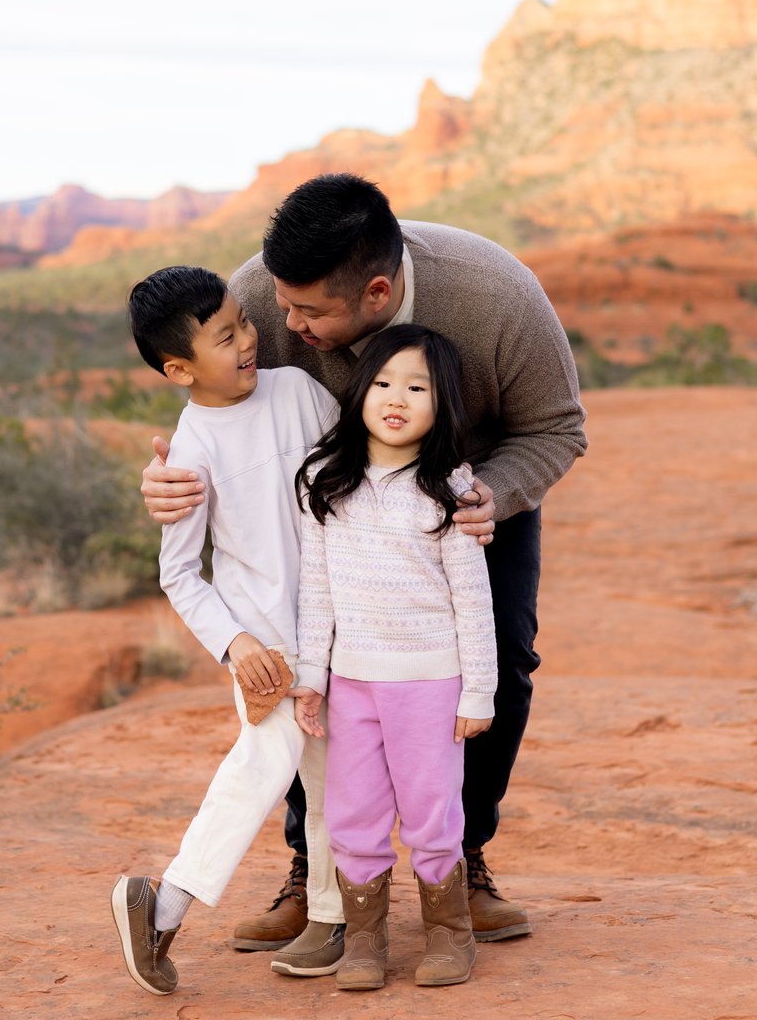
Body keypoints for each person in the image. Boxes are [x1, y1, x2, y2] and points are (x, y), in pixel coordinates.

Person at [141, 173, 588, 948]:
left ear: (377, 293)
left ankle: (460, 861)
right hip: (335, 506)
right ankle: (314, 871)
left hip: (467, 494)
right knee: (313, 671)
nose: (283, 324)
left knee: (503, 656)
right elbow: (218, 406)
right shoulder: (264, 298)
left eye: (308, 314)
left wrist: (489, 495)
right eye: (278, 306)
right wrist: (171, 480)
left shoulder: (497, 298)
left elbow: (556, 427)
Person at [108, 266, 345, 996]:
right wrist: (236, 646)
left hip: (340, 624)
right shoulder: (190, 453)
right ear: (179, 369)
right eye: (224, 336)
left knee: (334, 779)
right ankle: (168, 906)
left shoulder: (299, 392)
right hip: (268, 647)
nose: (247, 340)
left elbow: (358, 473)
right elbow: (179, 573)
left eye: (244, 323)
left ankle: (330, 917)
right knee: (266, 764)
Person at [291, 323, 495, 990]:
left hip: (431, 684)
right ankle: (364, 940)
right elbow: (317, 590)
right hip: (352, 683)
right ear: (359, 392)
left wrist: (479, 692)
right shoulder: (324, 481)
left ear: (444, 404)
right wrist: (310, 677)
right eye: (381, 383)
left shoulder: (450, 490)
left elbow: (473, 600)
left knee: (432, 810)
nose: (396, 398)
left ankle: (449, 934)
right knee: (354, 811)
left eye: (417, 388)